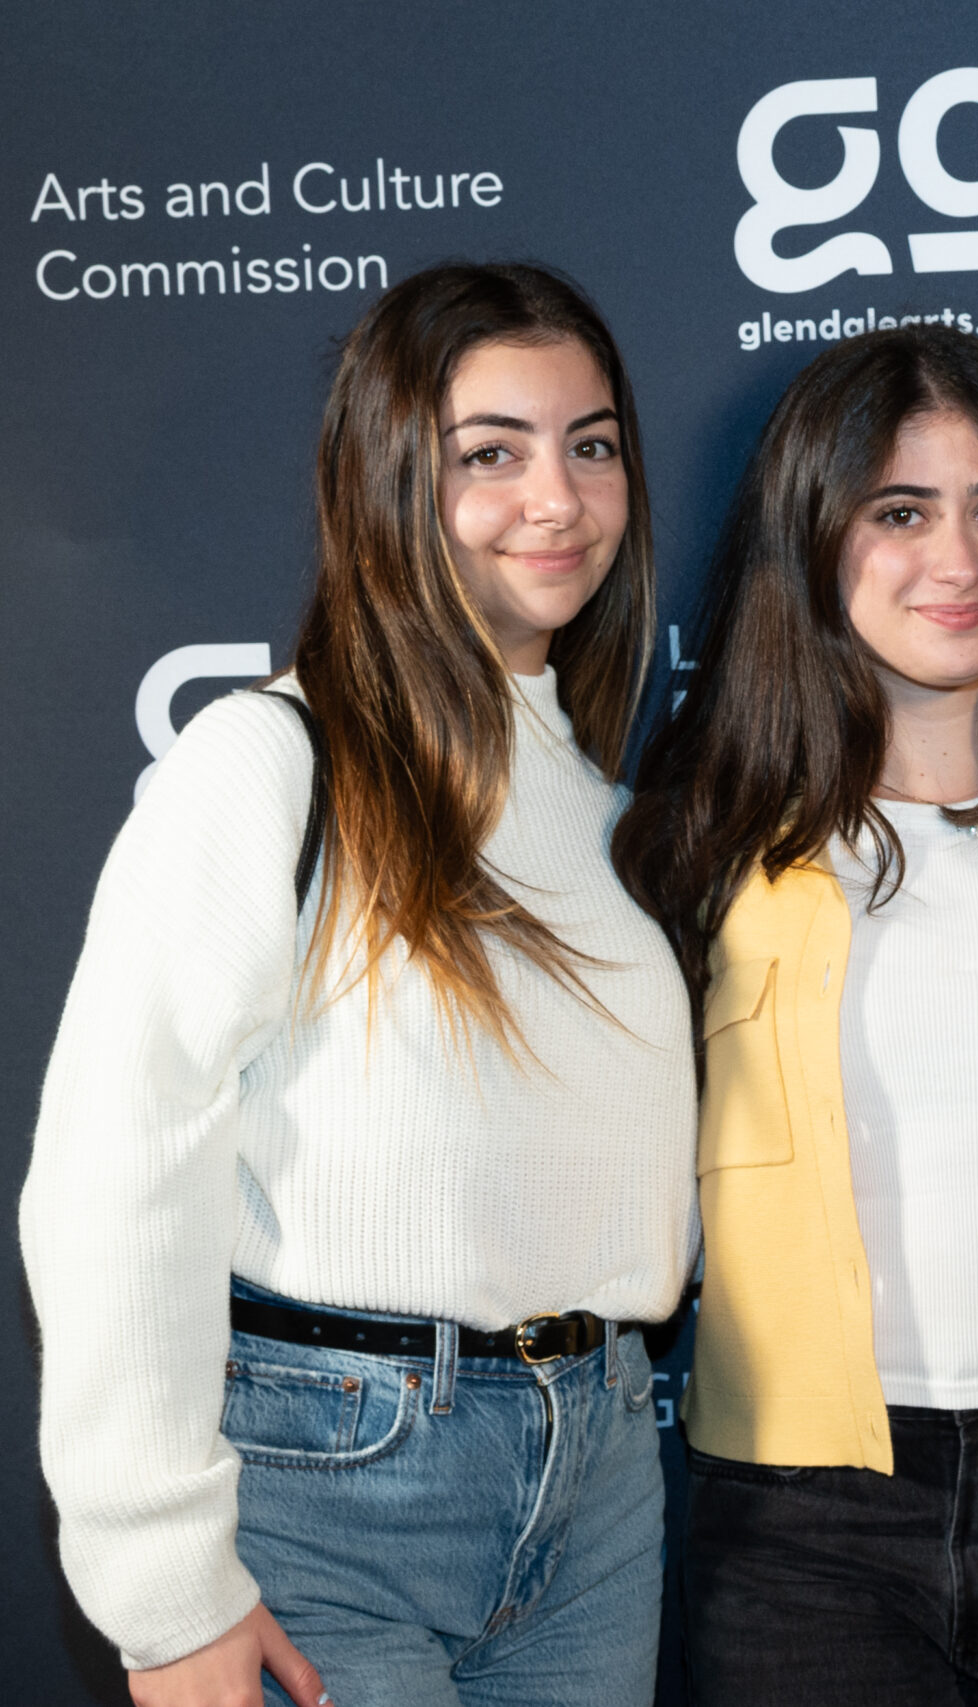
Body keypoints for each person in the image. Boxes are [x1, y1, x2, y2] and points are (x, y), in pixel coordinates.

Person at [21, 263, 693, 1706]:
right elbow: (118, 1175)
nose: (558, 499)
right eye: (490, 454)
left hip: (600, 1492)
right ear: (387, 478)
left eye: (590, 444)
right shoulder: (265, 766)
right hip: (330, 1494)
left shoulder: (603, 805)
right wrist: (165, 1592)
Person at [612, 324, 978, 1706]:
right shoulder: (692, 851)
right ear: (812, 536)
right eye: (900, 513)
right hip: (801, 1533)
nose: (959, 561)